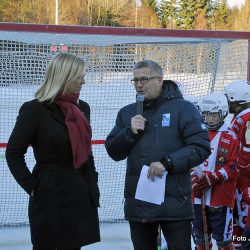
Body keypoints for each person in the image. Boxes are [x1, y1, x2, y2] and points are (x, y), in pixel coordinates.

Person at [105, 60, 211, 250]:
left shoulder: (184, 108)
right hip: (139, 206)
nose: (139, 84)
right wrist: (129, 132)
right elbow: (114, 151)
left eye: (144, 79)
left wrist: (167, 162)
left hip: (175, 205)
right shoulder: (127, 112)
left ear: (160, 80)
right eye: (135, 80)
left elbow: (200, 147)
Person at [5, 53, 100, 250]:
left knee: (74, 246)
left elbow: (86, 150)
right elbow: (14, 152)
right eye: (79, 76)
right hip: (49, 190)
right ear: (64, 76)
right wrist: (33, 187)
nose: (83, 81)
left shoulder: (83, 108)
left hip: (79, 189)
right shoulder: (34, 110)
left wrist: (92, 183)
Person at [191, 92, 239, 250]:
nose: (209, 118)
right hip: (198, 196)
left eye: (213, 114)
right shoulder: (196, 133)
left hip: (220, 197)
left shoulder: (231, 135)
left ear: (223, 113)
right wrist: (193, 181)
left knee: (223, 240)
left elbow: (234, 165)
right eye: (206, 114)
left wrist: (214, 178)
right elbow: (189, 161)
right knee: (200, 239)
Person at [224, 80, 250, 250]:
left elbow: (247, 151)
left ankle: (243, 244)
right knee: (238, 217)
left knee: (243, 216)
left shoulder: (247, 118)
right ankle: (239, 243)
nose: (226, 102)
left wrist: (238, 169)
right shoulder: (241, 117)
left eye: (228, 99)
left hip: (244, 179)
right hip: (239, 178)